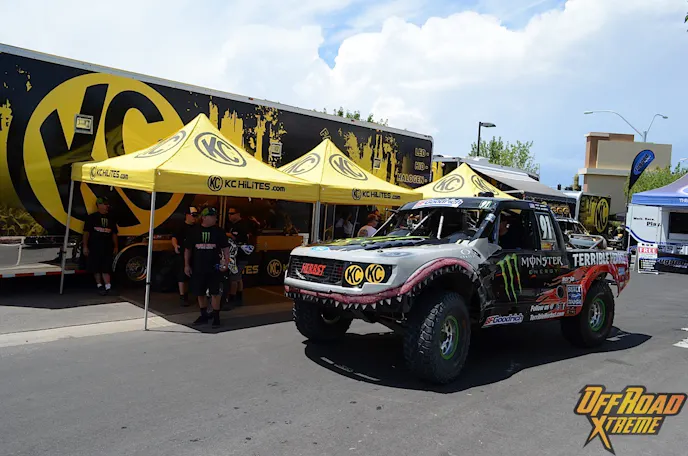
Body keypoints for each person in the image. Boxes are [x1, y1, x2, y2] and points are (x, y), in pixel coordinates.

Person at [184, 207, 230, 328]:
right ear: (204, 217)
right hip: (198, 267)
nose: (215, 219)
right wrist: (187, 265)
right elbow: (188, 249)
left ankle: (216, 316)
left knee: (215, 292)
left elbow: (226, 248)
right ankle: (203, 315)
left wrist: (226, 262)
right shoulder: (194, 231)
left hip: (214, 267)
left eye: (215, 216)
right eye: (212, 216)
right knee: (200, 292)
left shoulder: (219, 231)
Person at [82, 196, 119, 296]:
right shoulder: (91, 218)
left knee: (106, 266)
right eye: (105, 204)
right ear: (99, 205)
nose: (107, 206)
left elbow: (114, 234)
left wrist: (116, 246)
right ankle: (99, 285)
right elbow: (86, 233)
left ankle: (108, 286)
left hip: (107, 247)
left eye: (107, 204)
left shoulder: (111, 218)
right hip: (94, 246)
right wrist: (85, 246)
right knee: (96, 267)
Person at [226, 207, 254, 307]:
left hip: (240, 255)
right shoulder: (233, 225)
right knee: (238, 277)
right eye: (229, 213)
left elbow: (239, 239)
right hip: (236, 255)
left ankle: (232, 299)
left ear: (238, 214)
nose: (229, 215)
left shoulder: (242, 225)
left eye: (232, 213)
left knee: (234, 277)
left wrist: (229, 235)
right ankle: (238, 297)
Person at [172, 207, 198, 306]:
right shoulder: (181, 226)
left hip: (195, 253)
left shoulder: (197, 227)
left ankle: (193, 293)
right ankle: (182, 296)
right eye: (193, 215)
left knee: (193, 274)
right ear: (187, 215)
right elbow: (174, 237)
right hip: (182, 253)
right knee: (182, 275)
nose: (194, 217)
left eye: (196, 215)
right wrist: (175, 246)